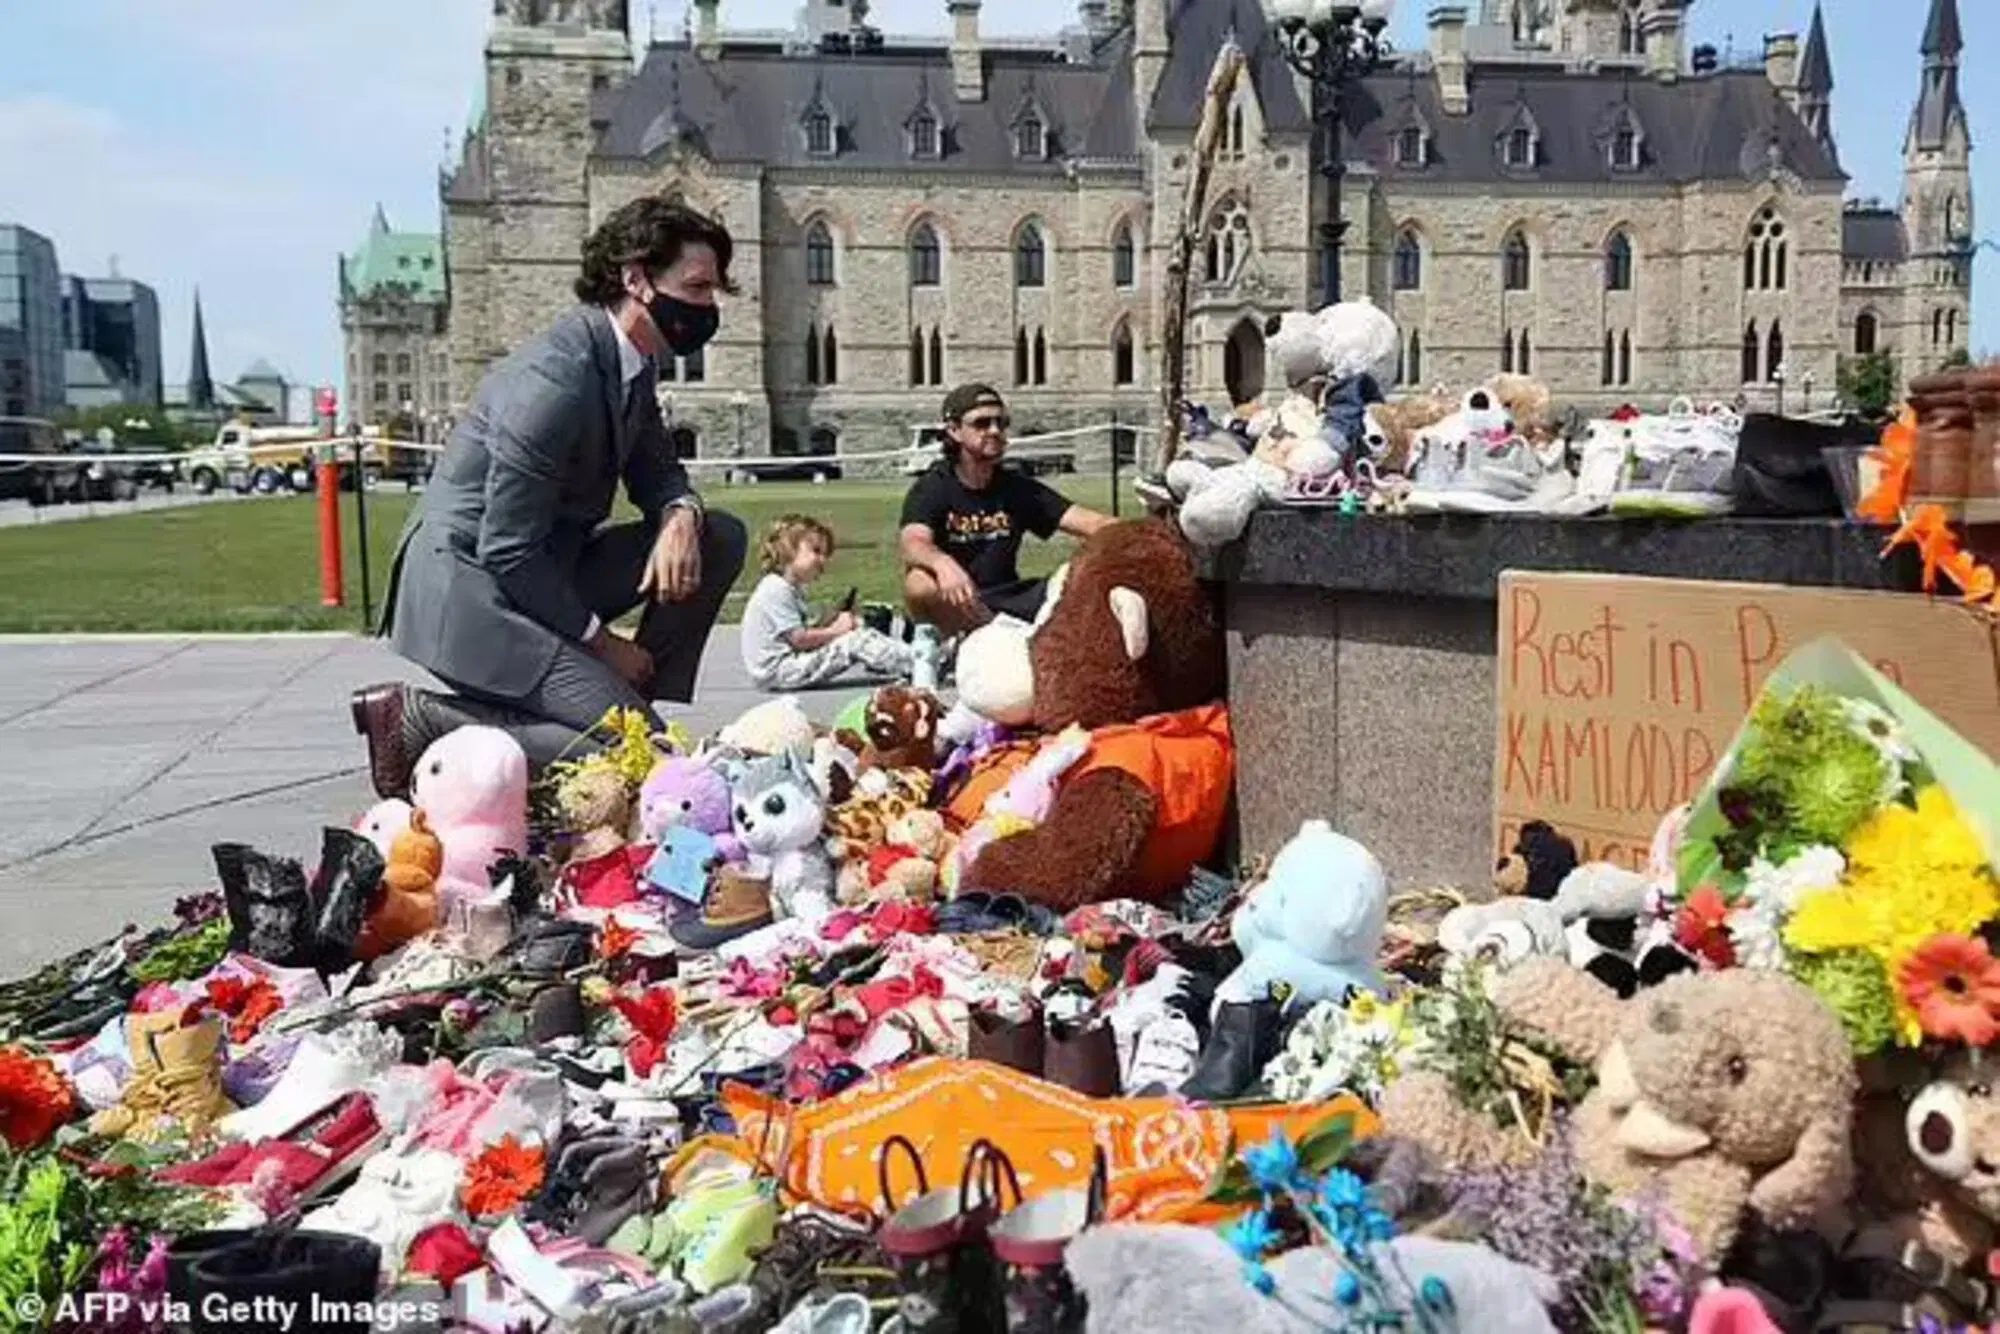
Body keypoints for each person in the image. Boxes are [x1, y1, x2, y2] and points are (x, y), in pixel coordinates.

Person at [350, 195, 749, 799]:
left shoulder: (631, 365)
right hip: (474, 593)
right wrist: (604, 643)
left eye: (713, 291)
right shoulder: (555, 381)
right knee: (640, 759)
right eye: (695, 287)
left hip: (543, 572)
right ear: (636, 279)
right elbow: (506, 549)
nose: (707, 307)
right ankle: (421, 720)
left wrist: (679, 516)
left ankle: (619, 699)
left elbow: (661, 475)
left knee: (718, 535)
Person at [899, 384, 1114, 633]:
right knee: (919, 583)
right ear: (954, 431)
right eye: (981, 423)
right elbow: (913, 543)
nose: (994, 431)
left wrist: (1151, 534)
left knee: (1082, 574)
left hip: (1010, 598)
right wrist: (943, 564)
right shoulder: (932, 487)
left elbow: (1093, 524)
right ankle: (952, 648)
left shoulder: (1016, 487)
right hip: (959, 603)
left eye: (1001, 423)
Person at [739, 515, 913, 692]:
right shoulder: (776, 589)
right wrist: (836, 631)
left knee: (856, 633)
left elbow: (796, 636)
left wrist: (828, 621)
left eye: (825, 554)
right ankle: (917, 663)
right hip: (782, 671)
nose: (823, 560)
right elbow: (799, 639)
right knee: (856, 641)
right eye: (816, 551)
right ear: (788, 550)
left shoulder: (789, 588)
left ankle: (905, 657)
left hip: (784, 669)